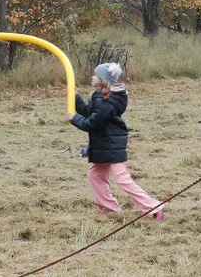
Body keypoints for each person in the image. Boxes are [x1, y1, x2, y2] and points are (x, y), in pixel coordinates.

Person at [67, 62, 164, 220]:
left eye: (96, 75)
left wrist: (74, 119)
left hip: (112, 145)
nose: (92, 77)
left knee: (122, 178)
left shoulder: (107, 102)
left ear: (104, 80)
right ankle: (109, 209)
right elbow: (90, 113)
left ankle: (153, 208)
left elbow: (92, 123)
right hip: (104, 145)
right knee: (95, 176)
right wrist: (76, 98)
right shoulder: (101, 97)